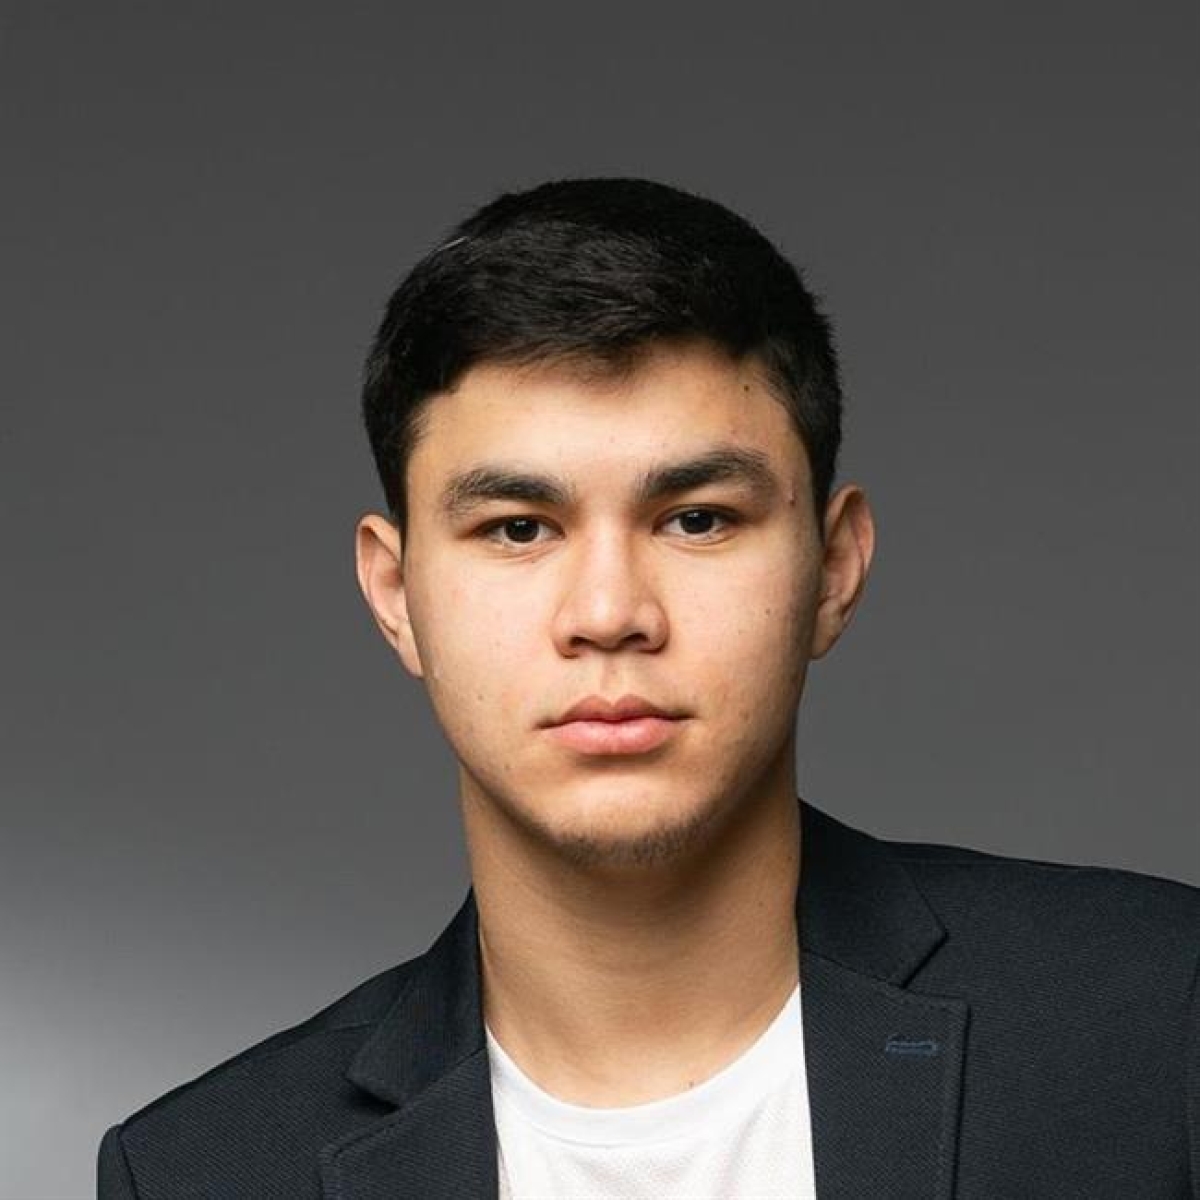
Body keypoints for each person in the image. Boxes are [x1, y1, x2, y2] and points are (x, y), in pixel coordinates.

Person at [98, 177, 1199, 1199]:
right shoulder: (203, 1173)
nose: (610, 612)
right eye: (518, 528)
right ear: (396, 594)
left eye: (697, 519)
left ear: (834, 569)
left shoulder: (1156, 1017)